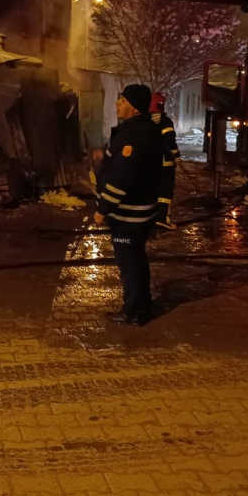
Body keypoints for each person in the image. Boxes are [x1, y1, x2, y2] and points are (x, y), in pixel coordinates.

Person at [94, 84, 164, 326]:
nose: (117, 104)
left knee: (130, 264)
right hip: (140, 211)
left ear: (135, 108)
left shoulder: (132, 136)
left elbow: (121, 179)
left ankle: (134, 311)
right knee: (136, 260)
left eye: (122, 100)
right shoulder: (145, 130)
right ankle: (142, 306)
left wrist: (103, 209)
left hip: (129, 215)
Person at [149, 92, 180, 230]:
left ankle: (150, 217)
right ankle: (162, 219)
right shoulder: (165, 121)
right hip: (165, 162)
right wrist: (177, 155)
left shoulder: (143, 121)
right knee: (165, 191)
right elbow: (170, 141)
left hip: (148, 163)